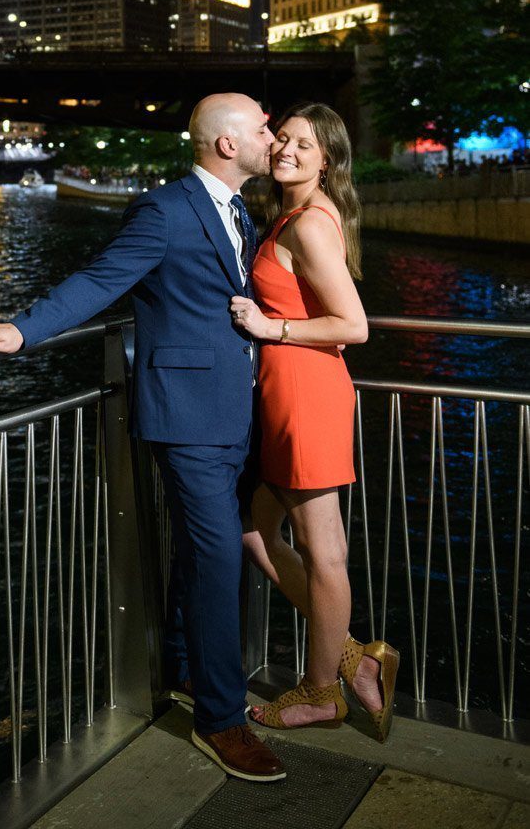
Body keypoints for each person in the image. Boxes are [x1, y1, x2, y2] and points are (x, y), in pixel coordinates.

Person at [0, 92, 287, 782]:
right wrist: (25, 330)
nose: (273, 135)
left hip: (233, 408)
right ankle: (222, 722)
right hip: (188, 416)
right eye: (262, 127)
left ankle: (184, 669)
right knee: (218, 559)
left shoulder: (240, 211)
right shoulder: (166, 210)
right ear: (227, 144)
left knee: (203, 555)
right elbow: (103, 278)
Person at [229, 102, 399, 741]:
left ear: (327, 160)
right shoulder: (296, 215)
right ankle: (350, 653)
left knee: (324, 553)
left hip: (305, 394)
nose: (286, 151)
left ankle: (321, 691)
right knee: (253, 529)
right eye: (283, 140)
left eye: (304, 145)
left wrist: (271, 326)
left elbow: (353, 325)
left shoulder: (309, 225)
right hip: (288, 393)